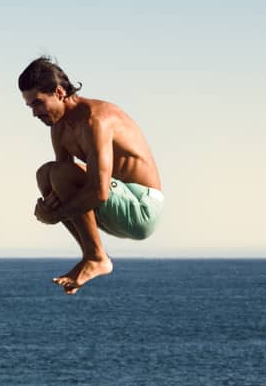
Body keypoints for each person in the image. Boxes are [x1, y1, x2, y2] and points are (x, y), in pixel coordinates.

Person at [19, 57, 163, 295]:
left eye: (38, 103)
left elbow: (99, 191)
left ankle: (96, 258)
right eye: (30, 107)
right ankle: (91, 256)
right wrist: (50, 208)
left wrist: (55, 215)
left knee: (61, 173)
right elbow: (60, 186)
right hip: (114, 206)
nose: (35, 113)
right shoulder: (59, 128)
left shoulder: (96, 119)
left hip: (143, 207)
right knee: (46, 174)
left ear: (59, 92)